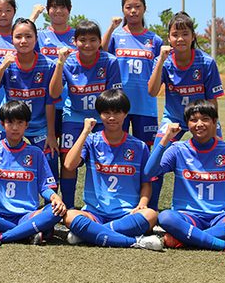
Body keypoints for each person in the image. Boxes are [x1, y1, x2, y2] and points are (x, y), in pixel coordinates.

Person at [145, 100, 225, 255]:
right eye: (194, 120)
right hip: (188, 216)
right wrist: (165, 139)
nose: (199, 124)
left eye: (205, 119)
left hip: (221, 216)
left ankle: (185, 239)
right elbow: (149, 173)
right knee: (166, 217)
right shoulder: (177, 149)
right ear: (187, 124)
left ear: (214, 122)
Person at [61, 89, 162, 251]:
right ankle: (134, 241)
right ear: (99, 115)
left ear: (125, 114)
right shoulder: (91, 140)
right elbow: (69, 165)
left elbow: (146, 183)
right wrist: (85, 132)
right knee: (69, 216)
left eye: (117, 112)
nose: (112, 117)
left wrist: (142, 204)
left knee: (150, 214)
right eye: (106, 113)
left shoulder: (139, 146)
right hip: (94, 214)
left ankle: (91, 234)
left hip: (127, 214)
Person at [147, 11, 224, 209]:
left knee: (219, 158)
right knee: (156, 159)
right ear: (169, 38)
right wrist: (160, 61)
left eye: (185, 34)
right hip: (173, 118)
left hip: (202, 118)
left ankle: (218, 206)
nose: (180, 39)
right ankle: (151, 208)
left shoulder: (206, 62)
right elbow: (152, 91)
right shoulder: (163, 61)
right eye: (175, 34)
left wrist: (213, 127)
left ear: (192, 36)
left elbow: (212, 100)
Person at [0, 101, 66, 246]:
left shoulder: (35, 153)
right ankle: (25, 234)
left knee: (55, 211)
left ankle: (0, 236)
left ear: (26, 125)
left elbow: (44, 186)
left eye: (20, 122)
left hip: (26, 215)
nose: (15, 127)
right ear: (2, 124)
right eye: (10, 122)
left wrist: (54, 197)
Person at [49, 20, 122, 208]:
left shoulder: (110, 61)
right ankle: (68, 205)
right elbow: (55, 93)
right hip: (74, 116)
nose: (88, 44)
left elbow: (115, 97)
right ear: (74, 41)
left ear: (100, 42)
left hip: (102, 118)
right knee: (67, 161)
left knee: (104, 161)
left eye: (92, 40)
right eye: (82, 40)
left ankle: (105, 204)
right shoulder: (69, 61)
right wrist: (59, 63)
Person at [0, 18, 60, 180]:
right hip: (9, 123)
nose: (23, 41)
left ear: (36, 38)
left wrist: (51, 134)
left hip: (39, 126)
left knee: (51, 158)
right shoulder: (4, 62)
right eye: (18, 37)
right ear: (11, 39)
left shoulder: (48, 65)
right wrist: (3, 66)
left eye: (28, 36)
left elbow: (51, 101)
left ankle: (51, 202)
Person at [101, 0, 163, 149]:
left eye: (137, 7)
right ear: (123, 10)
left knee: (145, 148)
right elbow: (101, 53)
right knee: (116, 146)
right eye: (129, 7)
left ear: (144, 9)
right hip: (118, 104)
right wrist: (111, 27)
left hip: (145, 104)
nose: (133, 11)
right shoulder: (116, 36)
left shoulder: (155, 40)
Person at [37, 0, 77, 197]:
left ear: (69, 10)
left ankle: (68, 205)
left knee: (68, 156)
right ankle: (50, 202)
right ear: (48, 10)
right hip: (45, 105)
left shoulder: (77, 36)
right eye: (54, 6)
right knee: (49, 152)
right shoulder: (41, 36)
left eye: (62, 6)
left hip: (71, 105)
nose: (58, 11)